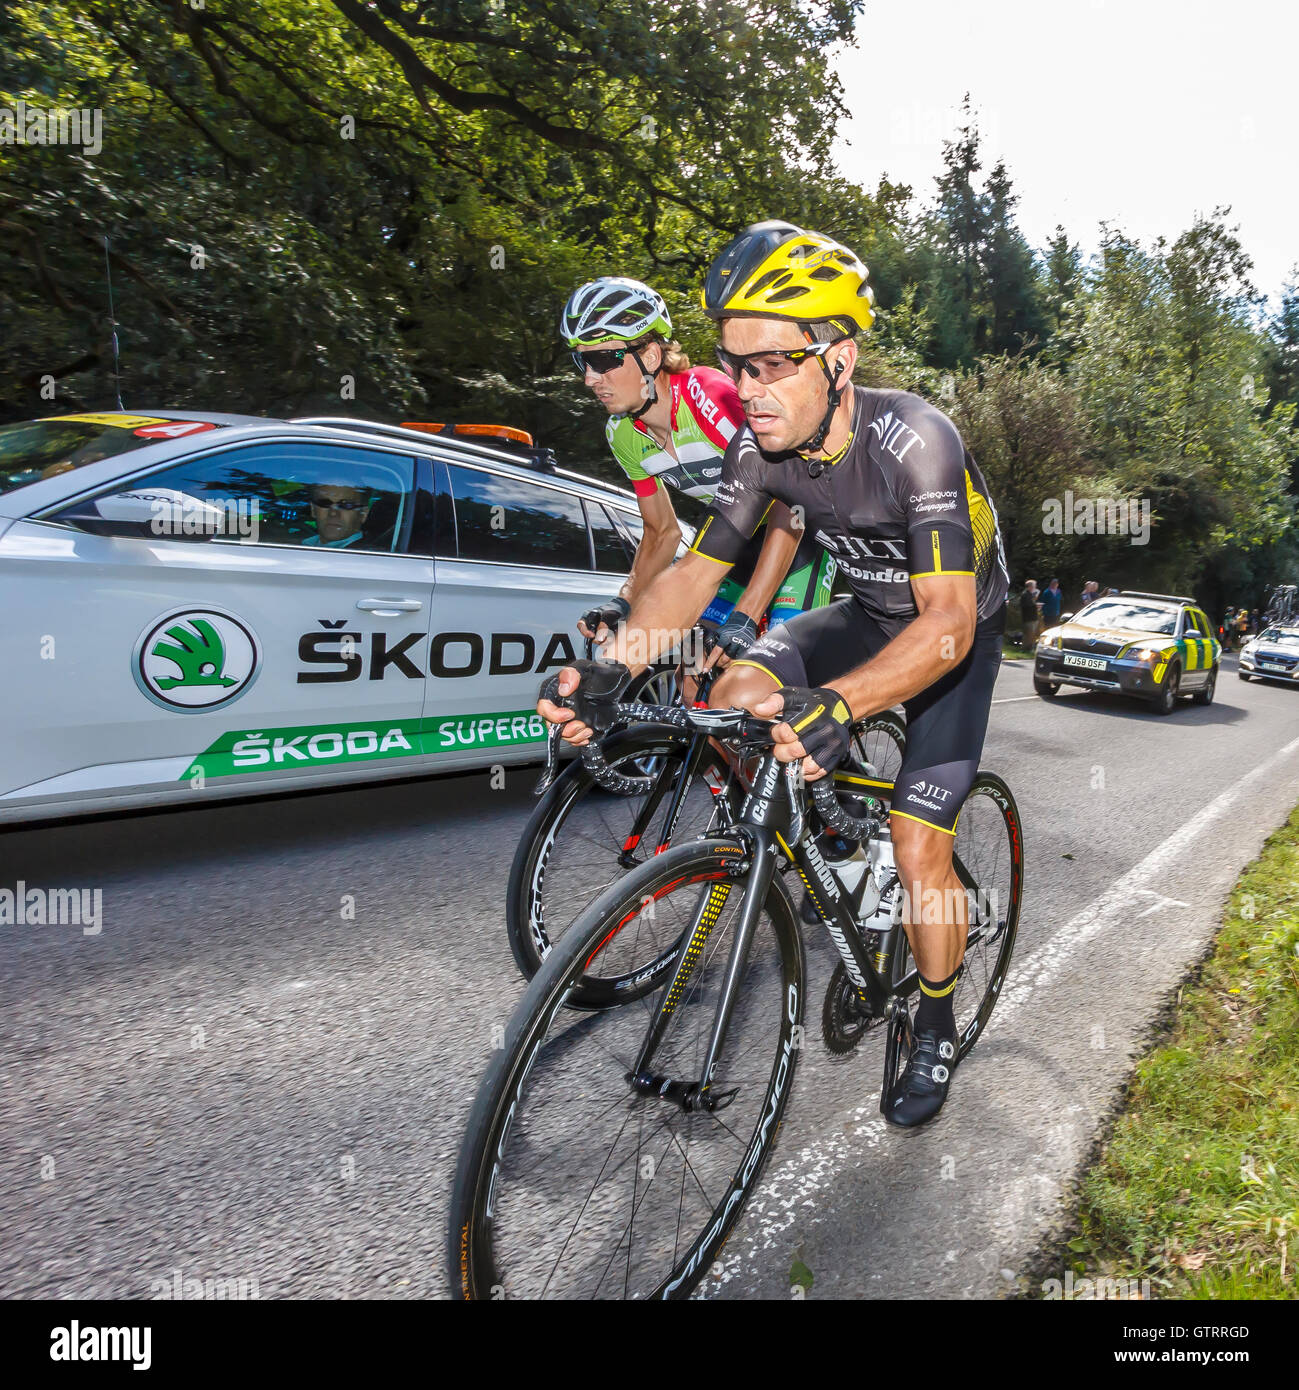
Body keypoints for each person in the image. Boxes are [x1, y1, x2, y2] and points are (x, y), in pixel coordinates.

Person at [539, 221, 1011, 1129]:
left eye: (771, 366)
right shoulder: (758, 450)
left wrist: (843, 702)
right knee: (728, 693)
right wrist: (607, 673)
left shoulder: (915, 440)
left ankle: (939, 1022)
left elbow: (945, 623)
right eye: (735, 364)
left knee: (919, 845)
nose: (748, 390)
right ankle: (832, 824)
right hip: (864, 615)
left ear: (839, 358)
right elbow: (691, 573)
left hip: (952, 636)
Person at [560, 277, 832, 666]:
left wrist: (749, 613)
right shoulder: (622, 434)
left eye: (603, 360)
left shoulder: (707, 396)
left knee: (772, 678)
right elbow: (661, 532)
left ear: (650, 357)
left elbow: (787, 503)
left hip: (800, 533)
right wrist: (623, 601)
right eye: (582, 362)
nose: (589, 378)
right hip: (733, 545)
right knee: (693, 677)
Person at [304, 484, 370, 547]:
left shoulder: (369, 556)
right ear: (313, 509)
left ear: (364, 514)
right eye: (325, 503)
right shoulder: (299, 544)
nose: (333, 513)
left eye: (346, 505)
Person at [1019, 579, 1042, 647]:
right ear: (1030, 587)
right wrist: (1036, 605)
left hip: (1033, 617)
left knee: (1032, 634)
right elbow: (1028, 605)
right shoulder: (1025, 595)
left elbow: (1032, 603)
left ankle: (1030, 647)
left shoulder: (1030, 594)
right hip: (1029, 618)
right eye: (1034, 586)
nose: (1035, 588)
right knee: (1028, 634)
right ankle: (1026, 648)